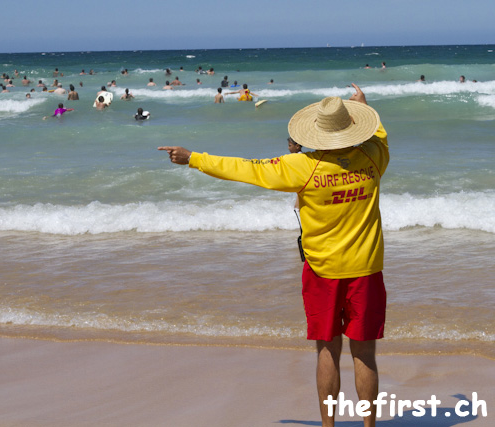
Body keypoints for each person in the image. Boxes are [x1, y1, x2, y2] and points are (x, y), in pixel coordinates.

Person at [158, 83, 389, 427]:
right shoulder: (375, 156)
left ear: (317, 133)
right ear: (352, 127)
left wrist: (193, 158)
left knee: (327, 350)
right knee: (365, 353)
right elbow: (380, 135)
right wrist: (365, 105)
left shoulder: (301, 167)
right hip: (367, 270)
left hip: (323, 272)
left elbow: (245, 168)